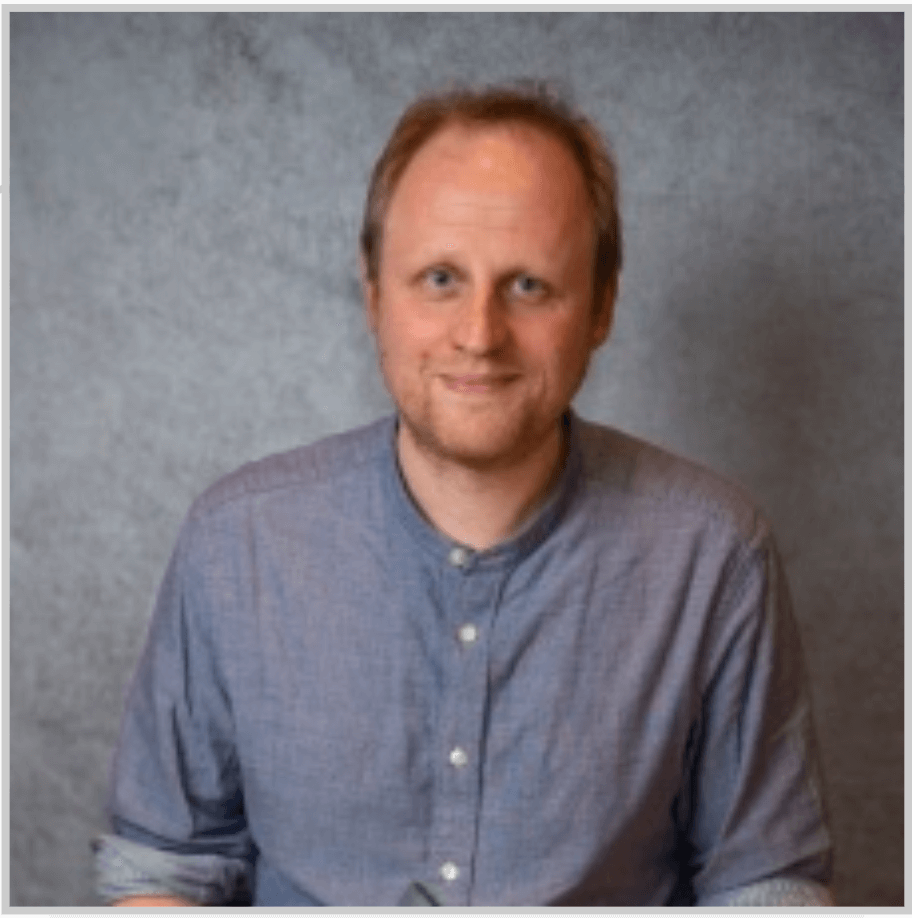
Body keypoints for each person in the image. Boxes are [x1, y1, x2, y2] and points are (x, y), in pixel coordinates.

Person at [94, 84, 833, 907]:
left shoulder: (715, 556)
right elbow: (167, 866)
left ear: (601, 306)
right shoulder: (235, 543)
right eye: (441, 278)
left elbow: (762, 881)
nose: (480, 335)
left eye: (529, 286)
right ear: (374, 295)